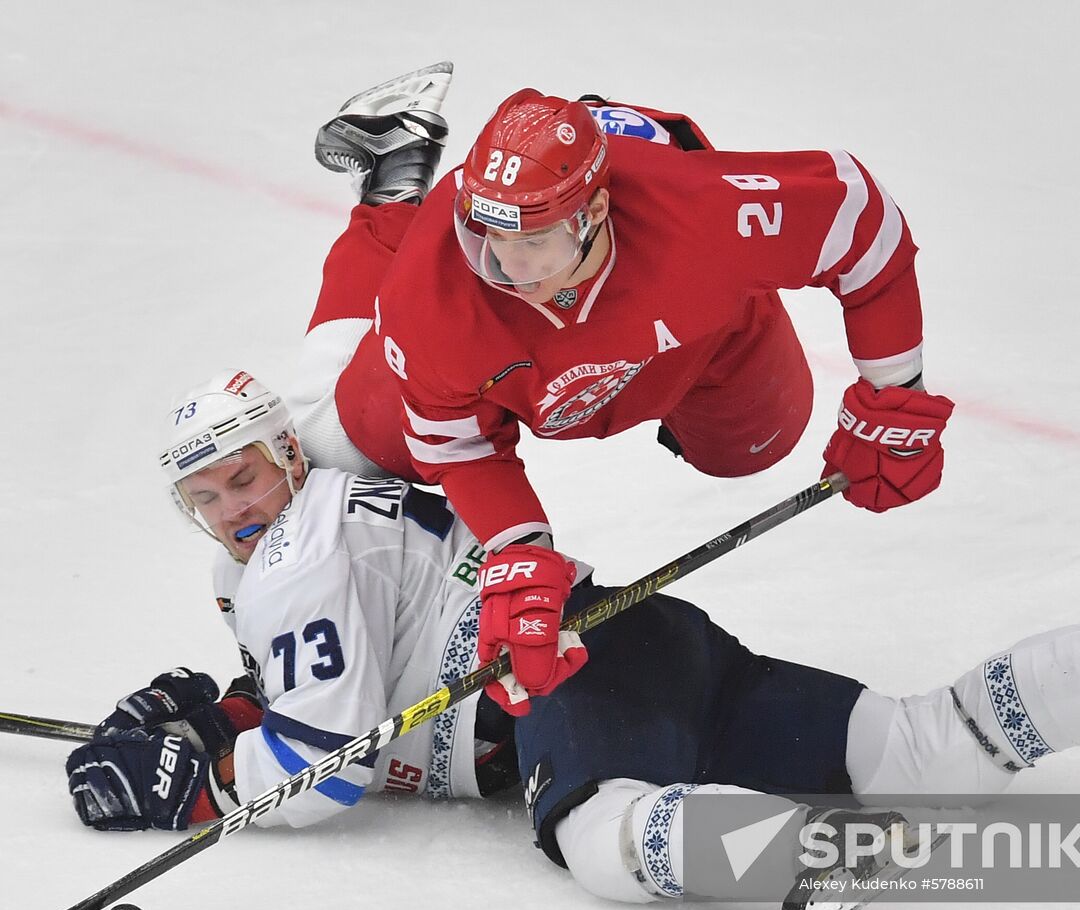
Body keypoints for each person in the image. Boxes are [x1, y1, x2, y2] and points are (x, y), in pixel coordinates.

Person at [65, 368, 1080, 910]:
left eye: (242, 479)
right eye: (207, 500)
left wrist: (203, 778)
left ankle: (805, 849)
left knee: (598, 833)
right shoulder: (345, 453)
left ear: (284, 455)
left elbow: (332, 775)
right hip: (639, 635)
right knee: (909, 742)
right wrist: (238, 705)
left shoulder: (282, 562)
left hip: (551, 694)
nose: (234, 511)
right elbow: (356, 653)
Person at [298, 63, 956, 715]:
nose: (505, 264)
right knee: (337, 447)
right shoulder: (436, 293)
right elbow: (459, 447)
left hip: (695, 339)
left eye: (534, 239)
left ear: (596, 213)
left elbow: (862, 221)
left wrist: (896, 397)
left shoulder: (704, 212)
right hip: (512, 365)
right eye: (489, 234)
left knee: (755, 445)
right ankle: (396, 179)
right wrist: (520, 557)